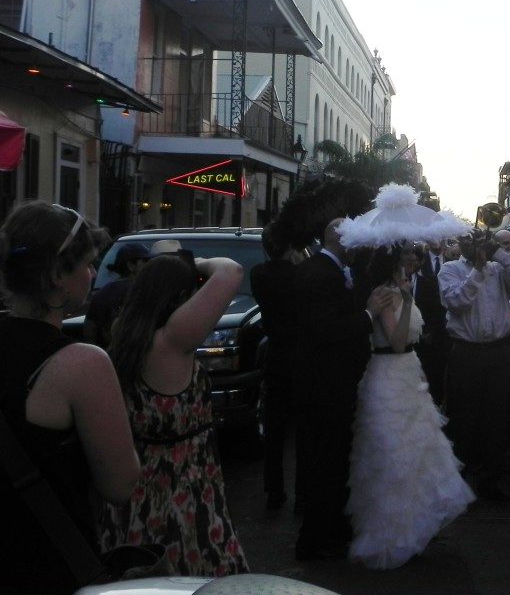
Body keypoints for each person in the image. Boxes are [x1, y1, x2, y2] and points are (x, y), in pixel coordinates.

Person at [0, 202, 140, 593]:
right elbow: (119, 485)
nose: (93, 273)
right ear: (57, 275)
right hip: (45, 565)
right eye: (87, 264)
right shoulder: (82, 364)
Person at [100, 251, 248, 576]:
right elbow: (231, 271)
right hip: (183, 491)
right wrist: (193, 264)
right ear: (180, 297)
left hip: (140, 491)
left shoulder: (126, 335)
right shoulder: (172, 340)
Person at [345, 244, 474, 569]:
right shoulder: (387, 294)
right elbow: (398, 340)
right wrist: (408, 302)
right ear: (394, 263)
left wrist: (409, 299)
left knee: (416, 453)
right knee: (395, 456)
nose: (413, 261)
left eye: (415, 257)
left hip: (406, 374)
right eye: (407, 257)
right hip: (390, 373)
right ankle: (392, 535)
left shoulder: (397, 290)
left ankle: (413, 526)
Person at [292, 218, 389, 561]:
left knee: (331, 458)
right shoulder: (320, 273)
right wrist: (368, 315)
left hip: (332, 381)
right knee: (325, 459)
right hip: (323, 383)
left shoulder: (331, 269)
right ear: (335, 235)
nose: (359, 244)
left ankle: (329, 528)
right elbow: (327, 329)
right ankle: (316, 536)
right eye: (354, 237)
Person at [439, 229, 510, 501]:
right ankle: (460, 482)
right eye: (467, 240)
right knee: (464, 417)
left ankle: (490, 481)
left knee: (498, 418)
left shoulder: (498, 268)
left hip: (499, 352)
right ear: (459, 243)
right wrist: (477, 269)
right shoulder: (450, 269)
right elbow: (457, 302)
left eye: (477, 239)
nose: (473, 244)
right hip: (467, 353)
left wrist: (497, 251)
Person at [249, 221, 301, 511]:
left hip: (275, 353)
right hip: (299, 353)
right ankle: (302, 492)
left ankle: (274, 487)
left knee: (275, 427)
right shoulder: (299, 275)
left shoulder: (259, 275)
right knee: (304, 424)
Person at [405, 242, 449, 407]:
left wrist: (430, 331)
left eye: (416, 260)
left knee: (431, 375)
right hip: (405, 339)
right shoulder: (396, 284)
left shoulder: (429, 282)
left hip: (428, 339)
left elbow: (438, 310)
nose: (413, 263)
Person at [82, 241, 148, 349]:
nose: (149, 265)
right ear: (131, 265)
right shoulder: (142, 292)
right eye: (145, 261)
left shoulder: (101, 293)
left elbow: (89, 330)